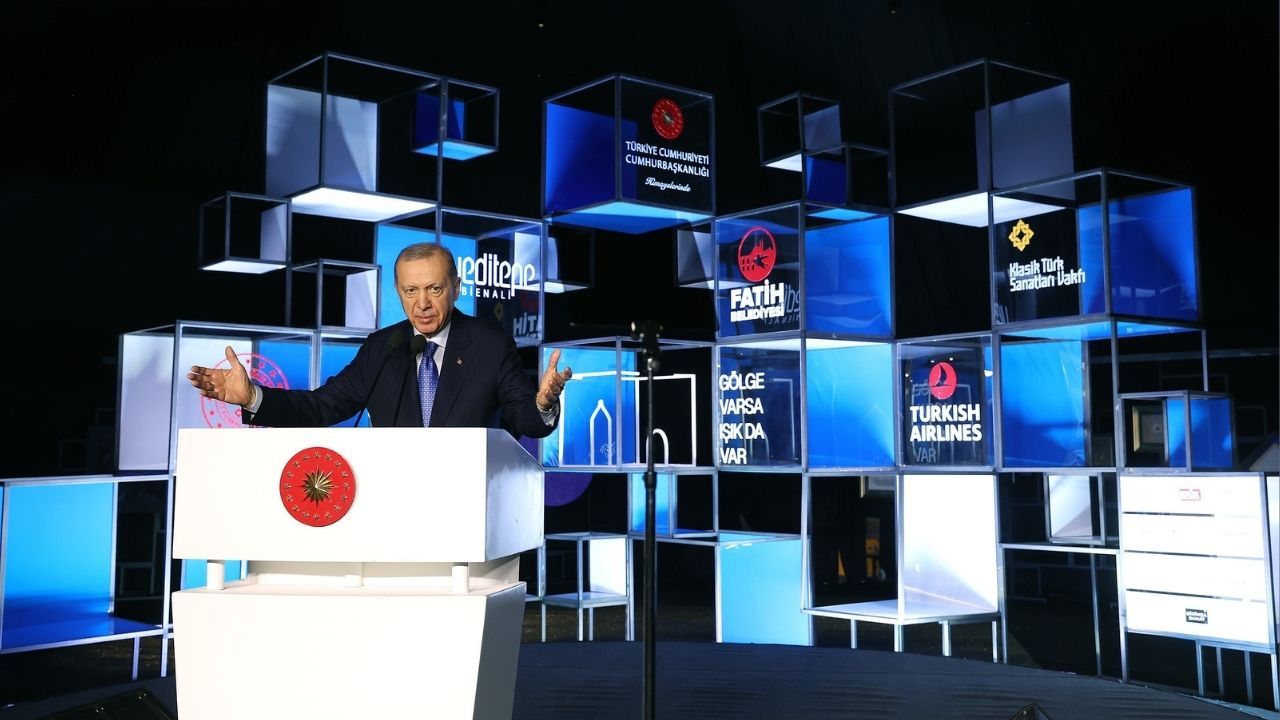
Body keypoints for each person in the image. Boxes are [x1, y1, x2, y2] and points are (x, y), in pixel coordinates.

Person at [188, 242, 571, 439]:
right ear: (398, 291)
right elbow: (321, 407)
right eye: (410, 291)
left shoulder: (490, 344)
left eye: (434, 289)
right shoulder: (383, 347)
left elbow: (524, 419)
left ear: (456, 288)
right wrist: (253, 397)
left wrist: (543, 405)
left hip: (468, 510)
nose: (422, 303)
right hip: (391, 508)